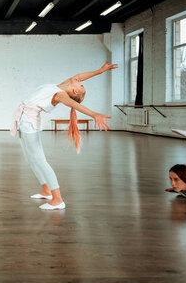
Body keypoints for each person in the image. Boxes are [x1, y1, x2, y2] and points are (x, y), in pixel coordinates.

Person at [10, 62, 117, 210]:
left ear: (73, 91)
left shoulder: (60, 95)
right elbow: (78, 76)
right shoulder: (59, 87)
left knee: (40, 160)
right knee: (30, 159)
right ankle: (46, 191)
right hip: (23, 119)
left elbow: (76, 106)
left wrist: (94, 115)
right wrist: (99, 71)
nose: (79, 81)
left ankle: (57, 199)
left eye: (81, 85)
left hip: (30, 122)